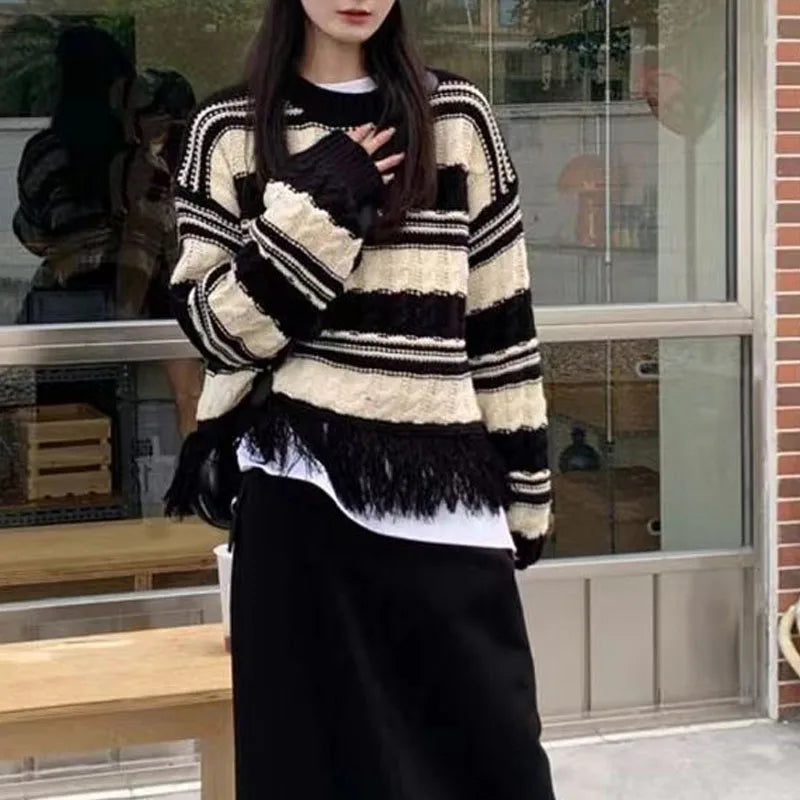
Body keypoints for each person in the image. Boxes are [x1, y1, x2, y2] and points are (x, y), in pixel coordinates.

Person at [167, 1, 556, 797]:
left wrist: (526, 490)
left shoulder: (457, 120)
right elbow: (217, 333)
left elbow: (501, 322)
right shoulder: (228, 131)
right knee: (315, 769)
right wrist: (320, 209)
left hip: (444, 500)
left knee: (495, 764)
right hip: (300, 501)